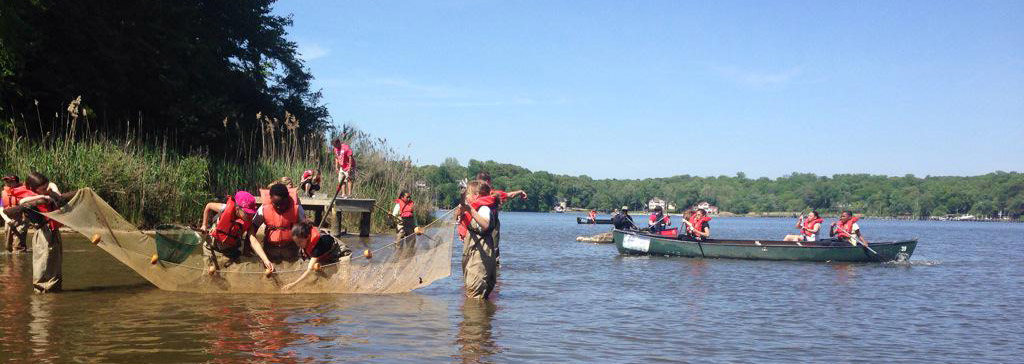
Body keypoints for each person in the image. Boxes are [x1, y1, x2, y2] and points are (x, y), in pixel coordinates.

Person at [2, 172, 75, 293]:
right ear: (33, 189)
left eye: (46, 187)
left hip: (53, 232)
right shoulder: (28, 197)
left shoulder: (47, 190)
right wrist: (44, 198)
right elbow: (23, 202)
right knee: (44, 264)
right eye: (43, 189)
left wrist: (55, 192)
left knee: (54, 266)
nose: (46, 190)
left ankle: (54, 293)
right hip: (43, 234)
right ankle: (43, 295)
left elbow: (51, 184)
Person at [456, 180, 499, 299]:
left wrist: (470, 209)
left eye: (469, 194)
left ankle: (475, 316)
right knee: (475, 292)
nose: (468, 197)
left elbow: (485, 224)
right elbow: (460, 214)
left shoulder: (484, 208)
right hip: (474, 249)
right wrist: (462, 202)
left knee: (475, 291)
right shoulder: (475, 206)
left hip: (481, 252)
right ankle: (483, 315)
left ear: (477, 196)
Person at [249, 183, 307, 272]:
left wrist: (305, 248)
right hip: (270, 249)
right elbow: (251, 230)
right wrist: (248, 248)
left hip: (290, 249)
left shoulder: (297, 209)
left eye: (282, 204)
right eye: (276, 204)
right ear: (271, 199)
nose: (279, 207)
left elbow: (306, 230)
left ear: (287, 199)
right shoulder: (263, 209)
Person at [474, 172, 527, 265]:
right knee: (493, 251)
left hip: (477, 227)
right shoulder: (494, 194)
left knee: (478, 250)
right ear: (488, 182)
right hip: (491, 226)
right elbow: (510, 195)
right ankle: (495, 270)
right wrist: (521, 191)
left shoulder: (473, 195)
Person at [281, 220, 351, 290]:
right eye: (296, 242)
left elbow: (309, 270)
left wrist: (293, 284)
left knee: (343, 282)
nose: (298, 245)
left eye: (300, 242)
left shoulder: (318, 246)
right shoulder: (305, 243)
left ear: (308, 237)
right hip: (327, 258)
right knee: (320, 279)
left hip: (342, 254)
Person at [199, 191, 259, 270]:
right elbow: (208, 206)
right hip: (212, 245)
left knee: (229, 273)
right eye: (246, 213)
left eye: (251, 213)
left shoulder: (248, 221)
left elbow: (254, 241)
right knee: (210, 272)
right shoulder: (224, 208)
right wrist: (204, 225)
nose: (249, 215)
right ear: (237, 208)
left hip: (229, 249)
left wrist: (266, 260)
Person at [2, 175, 28, 252]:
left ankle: (19, 262)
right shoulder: (4, 193)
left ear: (16, 182)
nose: (8, 183)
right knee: (8, 248)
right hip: (8, 220)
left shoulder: (23, 192)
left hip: (20, 220)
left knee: (18, 248)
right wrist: (7, 220)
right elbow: (1, 209)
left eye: (11, 181)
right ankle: (10, 263)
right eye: (6, 181)